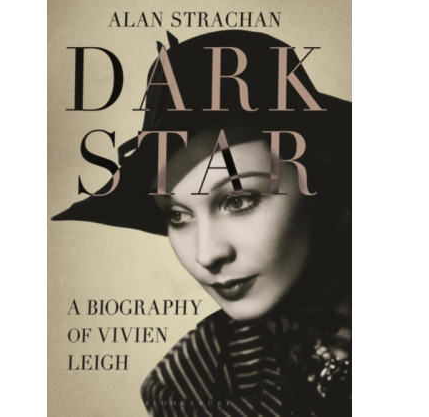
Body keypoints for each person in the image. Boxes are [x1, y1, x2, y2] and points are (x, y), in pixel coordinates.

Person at [53, 30, 351, 416]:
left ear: (321, 177)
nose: (206, 255)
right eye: (177, 216)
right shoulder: (192, 383)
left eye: (239, 200)